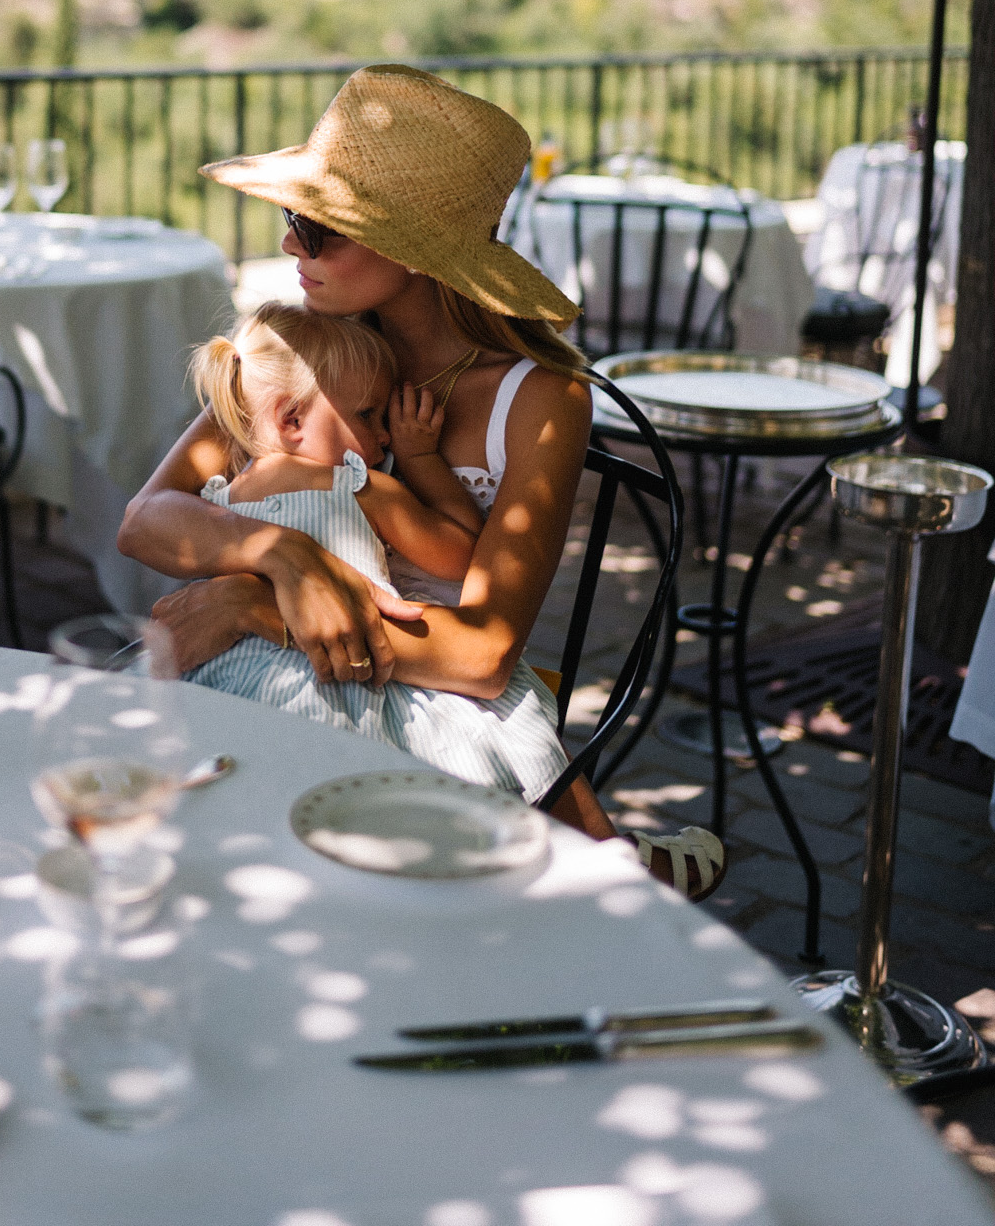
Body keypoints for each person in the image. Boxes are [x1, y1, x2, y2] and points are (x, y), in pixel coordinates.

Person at [119, 64, 725, 901]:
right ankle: (618, 856)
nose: (292, 245)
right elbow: (147, 518)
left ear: (412, 249)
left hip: (423, 704)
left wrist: (252, 606)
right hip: (290, 690)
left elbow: (481, 654)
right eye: (296, 221)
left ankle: (615, 866)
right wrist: (287, 557)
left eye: (316, 226)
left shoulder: (540, 399)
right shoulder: (312, 355)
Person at [184, 301, 570, 800]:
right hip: (340, 682)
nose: (384, 436)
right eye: (368, 415)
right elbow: (460, 553)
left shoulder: (219, 496)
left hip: (231, 677)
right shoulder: (358, 486)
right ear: (292, 418)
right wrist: (420, 458)